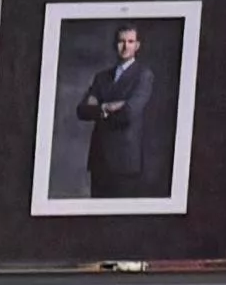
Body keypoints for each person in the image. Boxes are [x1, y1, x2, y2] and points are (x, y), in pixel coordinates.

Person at [73, 22, 171, 199]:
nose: (125, 46)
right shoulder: (101, 77)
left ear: (137, 46)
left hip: (125, 161)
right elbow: (82, 111)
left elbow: (130, 112)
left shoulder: (143, 75)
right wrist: (106, 107)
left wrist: (100, 108)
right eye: (121, 41)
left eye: (130, 41)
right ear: (114, 45)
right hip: (99, 159)